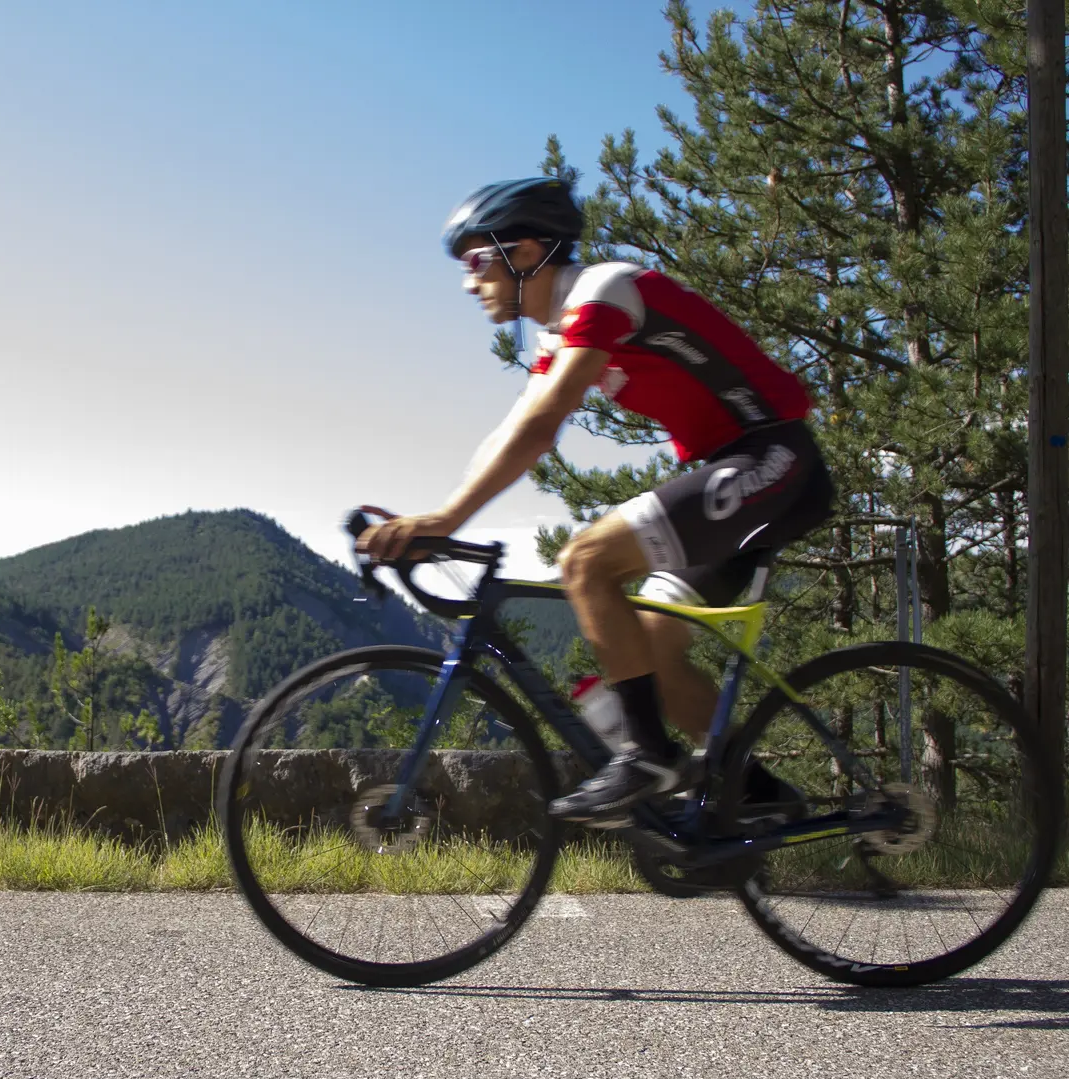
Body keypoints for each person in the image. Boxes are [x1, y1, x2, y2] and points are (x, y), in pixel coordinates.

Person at [356, 177, 834, 827]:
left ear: (524, 252)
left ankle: (648, 756)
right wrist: (441, 517)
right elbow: (513, 431)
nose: (469, 283)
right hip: (735, 470)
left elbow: (540, 428)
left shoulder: (603, 292)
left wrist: (444, 521)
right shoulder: (560, 332)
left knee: (585, 562)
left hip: (771, 456)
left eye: (476, 261)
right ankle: (759, 799)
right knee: (656, 658)